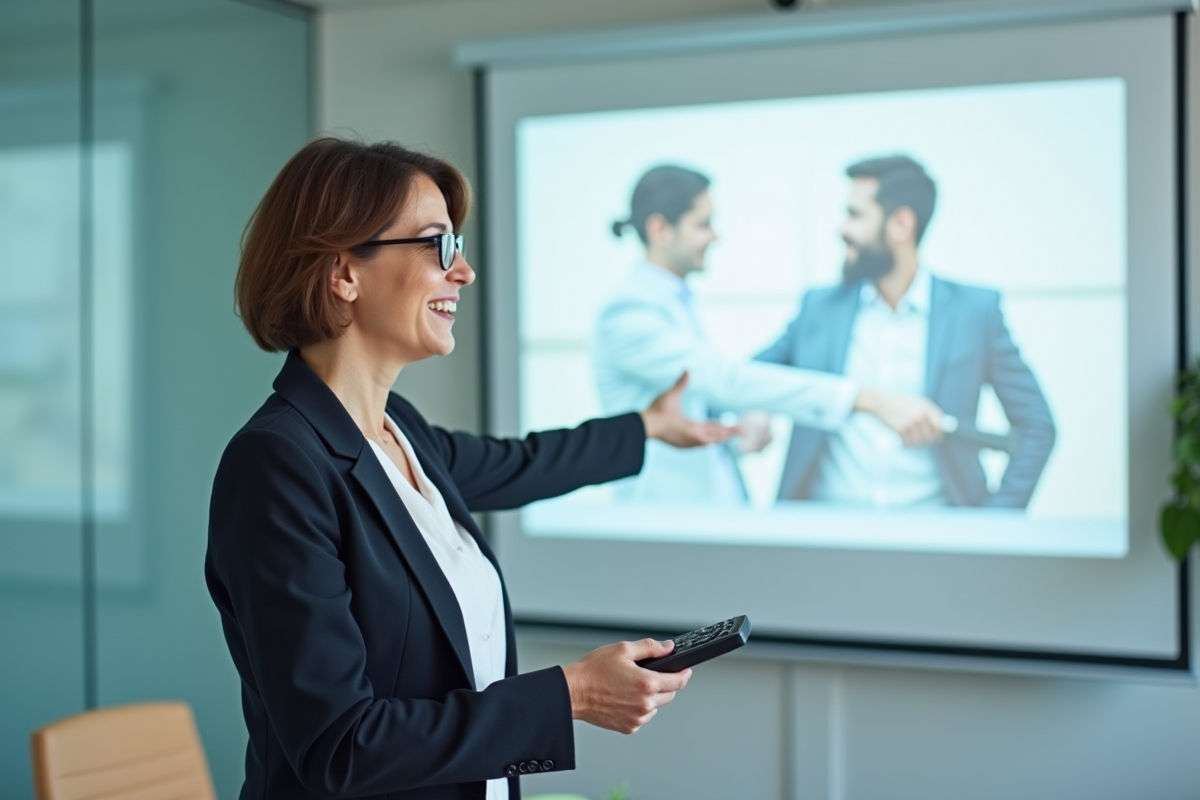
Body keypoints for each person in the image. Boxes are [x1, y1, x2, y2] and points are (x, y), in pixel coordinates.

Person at [205, 138, 735, 800]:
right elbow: (339, 747)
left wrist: (648, 427)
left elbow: (521, 464)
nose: (465, 272)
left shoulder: (400, 431)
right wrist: (571, 694)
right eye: (439, 245)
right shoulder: (277, 464)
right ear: (344, 274)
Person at [593, 164, 943, 505]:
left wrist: (741, 428)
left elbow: (694, 410)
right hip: (666, 523)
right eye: (703, 224)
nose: (715, 236)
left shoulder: (675, 304)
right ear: (660, 229)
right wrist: (864, 399)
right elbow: (723, 380)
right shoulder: (629, 312)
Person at [755, 154, 1056, 508]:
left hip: (935, 529)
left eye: (855, 215)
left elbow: (1037, 426)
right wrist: (757, 407)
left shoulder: (975, 312)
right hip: (829, 525)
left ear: (901, 224)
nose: (842, 229)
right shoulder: (820, 308)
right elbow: (747, 379)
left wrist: (994, 523)